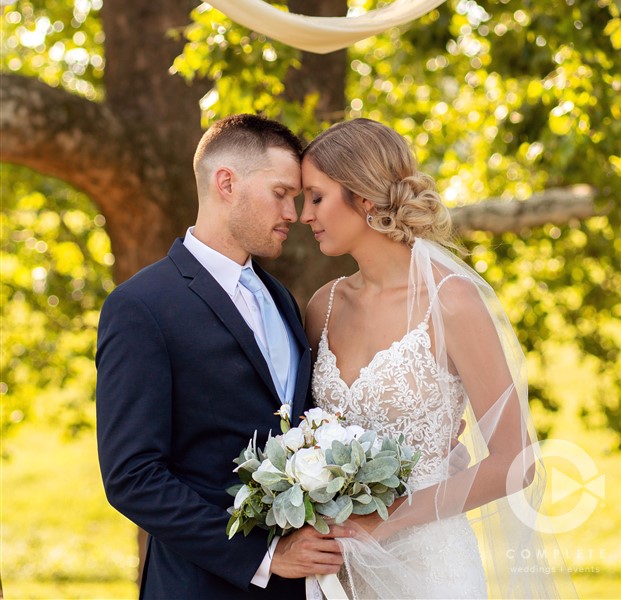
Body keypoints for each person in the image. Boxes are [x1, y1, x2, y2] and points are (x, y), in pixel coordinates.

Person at [302, 118, 576, 600]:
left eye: (316, 197)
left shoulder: (451, 303)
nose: (305, 214)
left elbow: (518, 461)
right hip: (338, 572)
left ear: (363, 198)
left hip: (431, 567)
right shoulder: (323, 306)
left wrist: (382, 523)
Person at [96, 114, 349, 600]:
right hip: (199, 585)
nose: (293, 213)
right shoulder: (141, 307)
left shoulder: (282, 299)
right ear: (226, 183)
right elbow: (132, 476)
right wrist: (265, 557)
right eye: (281, 193)